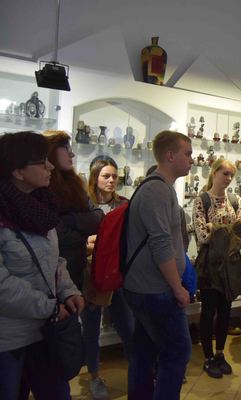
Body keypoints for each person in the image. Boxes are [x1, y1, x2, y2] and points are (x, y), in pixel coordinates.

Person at [0, 131, 84, 400]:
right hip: (8, 340)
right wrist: (50, 307)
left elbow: (53, 259)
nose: (50, 166)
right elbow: (2, 286)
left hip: (45, 333)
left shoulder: (40, 207)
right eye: (41, 161)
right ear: (18, 171)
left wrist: (68, 291)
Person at [123, 130, 193, 399]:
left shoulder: (159, 188)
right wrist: (177, 288)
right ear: (170, 156)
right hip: (155, 290)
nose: (192, 159)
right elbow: (161, 245)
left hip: (147, 287)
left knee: (144, 350)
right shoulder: (157, 189)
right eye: (187, 154)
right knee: (177, 351)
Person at [81, 158, 135, 399]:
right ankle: (94, 376)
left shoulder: (123, 205)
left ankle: (138, 370)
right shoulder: (84, 206)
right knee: (91, 329)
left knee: (128, 325)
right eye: (106, 176)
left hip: (118, 274)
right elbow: (75, 241)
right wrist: (89, 244)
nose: (112, 180)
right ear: (95, 178)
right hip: (91, 275)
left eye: (115, 176)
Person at [193, 158, 241, 379]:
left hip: (230, 266)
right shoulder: (202, 200)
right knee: (208, 311)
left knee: (225, 311)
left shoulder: (235, 200)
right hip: (209, 266)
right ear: (214, 173)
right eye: (225, 173)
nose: (228, 178)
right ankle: (207, 356)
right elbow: (202, 236)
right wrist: (225, 230)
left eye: (231, 175)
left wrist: (214, 227)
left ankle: (219, 353)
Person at [44, 130, 104, 291]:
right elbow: (56, 233)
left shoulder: (74, 184)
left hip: (77, 267)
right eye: (66, 148)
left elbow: (99, 217)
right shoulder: (42, 186)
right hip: (53, 272)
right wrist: (83, 235)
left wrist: (68, 220)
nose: (72, 154)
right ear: (51, 150)